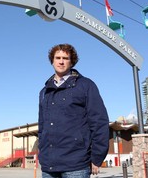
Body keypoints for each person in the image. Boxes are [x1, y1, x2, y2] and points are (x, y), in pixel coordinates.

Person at [38, 44, 109, 178]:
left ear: (72, 62)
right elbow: (42, 127)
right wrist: (42, 152)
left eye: (65, 58)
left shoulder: (85, 85)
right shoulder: (44, 91)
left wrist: (97, 157)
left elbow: (99, 122)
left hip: (76, 165)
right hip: (49, 166)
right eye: (57, 57)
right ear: (52, 60)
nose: (61, 61)